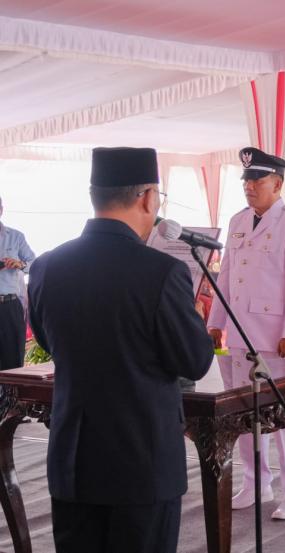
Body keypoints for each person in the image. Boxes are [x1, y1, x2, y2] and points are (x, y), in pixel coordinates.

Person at [27, 147, 214, 553]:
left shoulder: (46, 266)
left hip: (74, 464)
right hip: (141, 467)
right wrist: (194, 316)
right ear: (148, 197)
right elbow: (194, 362)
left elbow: (48, 341)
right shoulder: (162, 272)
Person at [207, 146, 285, 520]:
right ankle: (256, 483)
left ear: (278, 183)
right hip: (240, 333)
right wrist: (216, 323)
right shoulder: (238, 221)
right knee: (245, 417)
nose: (249, 186)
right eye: (246, 180)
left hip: (276, 338)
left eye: (257, 180)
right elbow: (225, 277)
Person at [0, 196, 35, 370]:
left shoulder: (15, 237)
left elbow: (34, 264)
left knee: (13, 360)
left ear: (1, 210)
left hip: (9, 304)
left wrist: (19, 264)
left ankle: (11, 398)